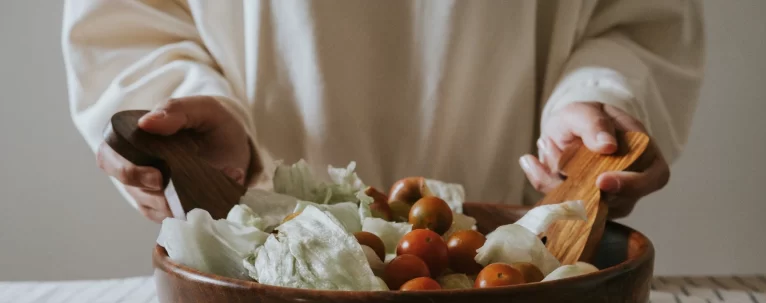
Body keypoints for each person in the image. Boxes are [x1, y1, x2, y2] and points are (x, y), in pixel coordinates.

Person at [62, 1, 704, 223]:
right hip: (263, 286)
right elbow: (130, 23)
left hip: (514, 292)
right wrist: (187, 143)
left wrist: (593, 103)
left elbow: (638, 19)